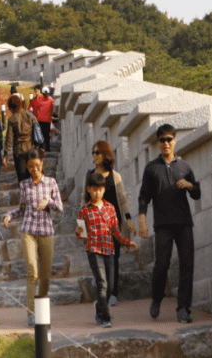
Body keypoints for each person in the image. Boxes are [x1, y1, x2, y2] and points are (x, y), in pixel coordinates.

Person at [137, 124, 201, 323]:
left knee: (187, 265)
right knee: (161, 265)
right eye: (162, 140)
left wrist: (189, 184)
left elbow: (197, 194)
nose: (166, 143)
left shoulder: (184, 167)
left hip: (184, 223)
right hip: (162, 224)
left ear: (175, 140)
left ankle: (183, 309)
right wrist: (142, 221)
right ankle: (156, 298)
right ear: (158, 143)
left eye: (169, 139)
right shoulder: (151, 168)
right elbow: (143, 197)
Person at [3, 149, 63, 327]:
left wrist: (49, 202)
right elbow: (21, 209)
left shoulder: (51, 183)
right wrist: (9, 215)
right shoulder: (24, 185)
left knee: (45, 277)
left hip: (46, 232)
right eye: (30, 167)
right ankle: (31, 313)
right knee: (32, 272)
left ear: (42, 164)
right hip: (28, 231)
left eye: (37, 165)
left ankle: (41, 307)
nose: (34, 169)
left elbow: (60, 208)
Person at [77, 170, 139, 327]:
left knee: (110, 286)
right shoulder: (84, 210)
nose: (97, 193)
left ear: (104, 189)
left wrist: (126, 242)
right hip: (94, 251)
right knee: (102, 283)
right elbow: (80, 232)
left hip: (109, 250)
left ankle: (99, 306)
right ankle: (105, 317)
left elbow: (115, 231)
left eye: (100, 189)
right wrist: (80, 234)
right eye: (94, 189)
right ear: (89, 189)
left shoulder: (110, 208)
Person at [79, 140, 135, 306]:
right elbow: (83, 199)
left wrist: (129, 220)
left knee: (114, 258)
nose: (94, 156)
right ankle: (101, 280)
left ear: (105, 154)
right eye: (93, 153)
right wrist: (82, 228)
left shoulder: (114, 176)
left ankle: (112, 293)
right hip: (94, 224)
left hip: (113, 223)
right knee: (96, 256)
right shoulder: (89, 175)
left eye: (97, 152)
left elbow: (123, 199)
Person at [3, 94, 39, 183]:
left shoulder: (12, 119)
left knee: (22, 179)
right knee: (32, 176)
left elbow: (9, 138)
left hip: (18, 151)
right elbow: (37, 132)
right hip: (31, 149)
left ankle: (24, 195)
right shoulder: (30, 115)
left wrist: (5, 154)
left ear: (11, 107)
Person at [30, 86, 57, 152]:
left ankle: (42, 148)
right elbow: (54, 109)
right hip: (47, 120)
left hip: (40, 120)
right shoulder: (51, 100)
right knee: (46, 135)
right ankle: (47, 149)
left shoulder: (39, 99)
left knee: (41, 135)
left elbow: (35, 108)